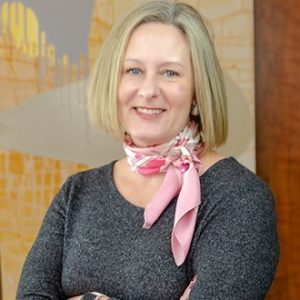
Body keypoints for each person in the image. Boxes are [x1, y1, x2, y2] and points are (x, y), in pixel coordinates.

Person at [17, 1, 279, 299]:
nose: (148, 89)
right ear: (113, 83)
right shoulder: (76, 193)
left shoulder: (241, 199)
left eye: (170, 73)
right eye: (133, 70)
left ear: (197, 92)